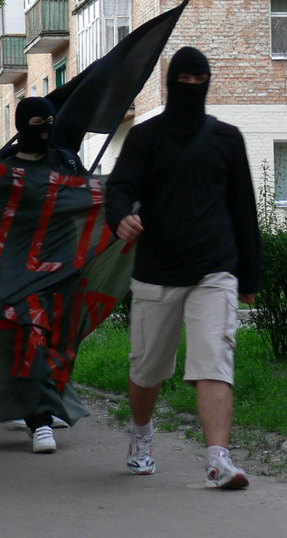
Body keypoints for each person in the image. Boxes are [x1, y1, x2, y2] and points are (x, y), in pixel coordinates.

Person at [105, 47, 260, 489]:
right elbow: (119, 188)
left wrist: (249, 275)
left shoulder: (226, 138)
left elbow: (243, 209)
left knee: (215, 359)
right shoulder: (145, 137)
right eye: (185, 81)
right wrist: (120, 218)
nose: (192, 88)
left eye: (200, 81)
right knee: (148, 369)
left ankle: (218, 459)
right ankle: (141, 435)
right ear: (171, 84)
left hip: (215, 268)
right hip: (157, 269)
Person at [0, 97, 84, 454]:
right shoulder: (3, 169)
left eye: (50, 122)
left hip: (63, 265)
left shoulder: (66, 161)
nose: (45, 130)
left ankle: (46, 399)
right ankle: (40, 421)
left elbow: (88, 199)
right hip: (21, 268)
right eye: (37, 124)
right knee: (30, 336)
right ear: (21, 126)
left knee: (59, 339)